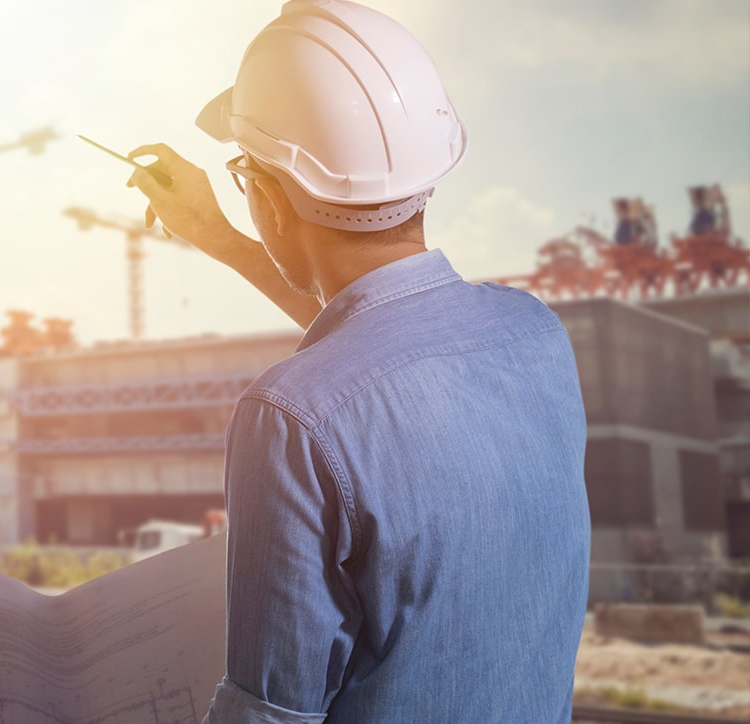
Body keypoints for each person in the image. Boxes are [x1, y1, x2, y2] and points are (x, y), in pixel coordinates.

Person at [124, 1, 590, 721]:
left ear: (267, 198)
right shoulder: (534, 337)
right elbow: (387, 349)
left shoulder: (288, 420)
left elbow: (270, 716)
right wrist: (215, 233)